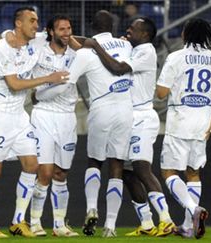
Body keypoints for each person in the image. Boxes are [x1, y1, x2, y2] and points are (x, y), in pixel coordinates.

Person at [0, 7, 68, 238]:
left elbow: (63, 36)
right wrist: (49, 78)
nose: (36, 25)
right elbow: (14, 85)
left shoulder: (35, 40)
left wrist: (92, 43)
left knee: (32, 165)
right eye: (32, 21)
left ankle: (18, 221)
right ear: (18, 23)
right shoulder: (2, 48)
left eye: (37, 21)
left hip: (19, 115)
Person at [83, 17, 175, 237]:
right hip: (126, 116)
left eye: (132, 29)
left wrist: (96, 45)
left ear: (144, 34)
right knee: (125, 172)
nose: (127, 30)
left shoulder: (147, 51)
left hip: (142, 117)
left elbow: (117, 67)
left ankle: (167, 219)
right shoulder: (131, 47)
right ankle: (146, 223)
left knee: (141, 168)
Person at [156, 18, 211, 239]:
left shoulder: (176, 57)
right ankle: (189, 225)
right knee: (193, 172)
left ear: (184, 35)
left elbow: (161, 93)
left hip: (180, 120)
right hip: (203, 122)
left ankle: (193, 209)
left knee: (169, 171)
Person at [67, 10, 133, 238]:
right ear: (113, 26)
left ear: (92, 27)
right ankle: (111, 226)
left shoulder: (86, 53)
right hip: (125, 110)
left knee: (95, 161)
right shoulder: (126, 46)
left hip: (102, 109)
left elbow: (68, 79)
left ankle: (91, 208)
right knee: (117, 165)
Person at [24, 15, 79, 237]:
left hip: (68, 117)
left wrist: (38, 94)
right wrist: (38, 94)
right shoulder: (37, 47)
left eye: (69, 28)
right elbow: (8, 37)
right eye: (62, 29)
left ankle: (59, 225)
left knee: (61, 173)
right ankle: (35, 222)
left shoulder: (77, 55)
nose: (66, 33)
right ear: (50, 31)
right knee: (44, 172)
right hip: (44, 116)